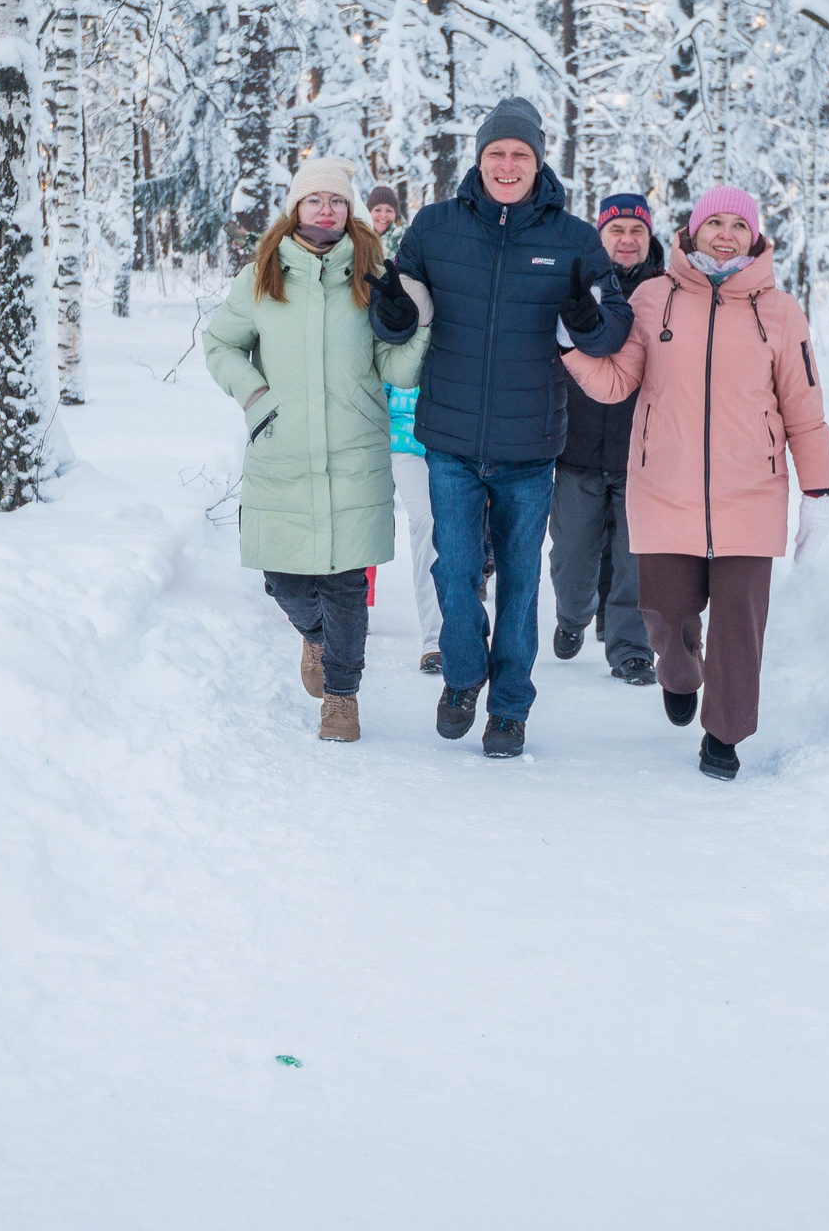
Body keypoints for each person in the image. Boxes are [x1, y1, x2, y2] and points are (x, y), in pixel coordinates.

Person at [368, 98, 633, 758]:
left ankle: (509, 708)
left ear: (538, 159)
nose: (507, 165)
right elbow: (403, 316)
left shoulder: (572, 240)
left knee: (518, 584)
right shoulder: (434, 227)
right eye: (496, 153)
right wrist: (391, 311)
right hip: (450, 440)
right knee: (454, 570)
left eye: (519, 154)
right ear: (479, 158)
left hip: (530, 446)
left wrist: (585, 318)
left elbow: (612, 325)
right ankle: (463, 678)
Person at [561, 185, 829, 780]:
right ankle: (679, 673)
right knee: (663, 610)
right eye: (716, 223)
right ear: (694, 230)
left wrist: (818, 491)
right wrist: (570, 348)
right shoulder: (656, 298)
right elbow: (616, 384)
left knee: (740, 625)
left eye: (740, 225)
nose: (727, 234)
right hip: (663, 487)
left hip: (751, 494)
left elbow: (805, 409)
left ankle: (724, 736)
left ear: (755, 237)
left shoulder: (781, 312)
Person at [205, 159, 431, 743]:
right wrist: (256, 397)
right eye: (314, 200)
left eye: (337, 200)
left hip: (354, 448)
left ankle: (341, 697)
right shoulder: (261, 274)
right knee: (285, 579)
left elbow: (399, 370)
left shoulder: (373, 270)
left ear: (350, 209)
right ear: (295, 209)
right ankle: (316, 637)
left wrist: (416, 322)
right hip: (282, 445)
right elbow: (221, 343)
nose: (326, 209)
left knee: (345, 583)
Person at [549, 193, 667, 684]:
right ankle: (573, 616)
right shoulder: (579, 281)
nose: (627, 239)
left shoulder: (667, 294)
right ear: (600, 236)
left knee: (634, 561)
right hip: (575, 448)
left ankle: (630, 648)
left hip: (642, 455)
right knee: (572, 558)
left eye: (636, 231)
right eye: (616, 230)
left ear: (649, 237)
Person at [367, 184, 444, 673]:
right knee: (365, 522)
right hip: (379, 433)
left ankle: (435, 638)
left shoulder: (457, 298)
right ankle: (344, 605)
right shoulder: (388, 290)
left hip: (429, 441)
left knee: (427, 522)